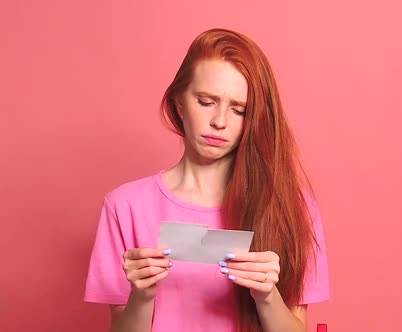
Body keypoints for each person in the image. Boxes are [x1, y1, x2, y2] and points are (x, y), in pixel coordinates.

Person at [83, 28, 330, 332]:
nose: (220, 122)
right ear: (178, 103)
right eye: (205, 101)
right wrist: (142, 297)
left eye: (239, 110)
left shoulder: (292, 207)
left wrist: (266, 296)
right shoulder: (124, 207)